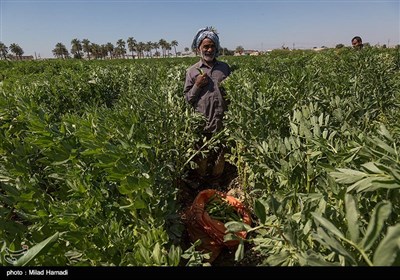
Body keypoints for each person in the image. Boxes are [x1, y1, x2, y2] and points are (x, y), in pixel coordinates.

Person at [183, 26, 231, 184]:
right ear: (199, 49)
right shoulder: (192, 72)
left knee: (220, 155)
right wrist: (197, 85)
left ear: (216, 48)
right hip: (202, 122)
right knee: (201, 155)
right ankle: (201, 182)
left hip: (221, 121)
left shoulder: (224, 68)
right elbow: (188, 99)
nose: (209, 49)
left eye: (212, 46)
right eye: (206, 46)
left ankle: (217, 182)